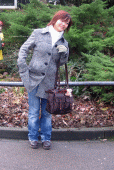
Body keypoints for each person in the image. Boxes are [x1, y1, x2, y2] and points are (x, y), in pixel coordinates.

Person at [17, 10, 72, 150]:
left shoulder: (64, 42)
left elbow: (63, 62)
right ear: (55, 19)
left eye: (67, 23)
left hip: (50, 84)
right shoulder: (38, 33)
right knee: (34, 112)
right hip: (33, 80)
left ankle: (46, 138)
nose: (64, 24)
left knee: (47, 114)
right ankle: (33, 137)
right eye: (62, 20)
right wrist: (23, 68)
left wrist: (64, 52)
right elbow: (24, 49)